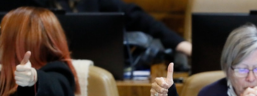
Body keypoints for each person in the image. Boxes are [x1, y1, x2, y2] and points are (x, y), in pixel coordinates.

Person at [0, 6, 80, 96]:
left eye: (2, 33)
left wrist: (33, 79)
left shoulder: (59, 72)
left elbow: (53, 90)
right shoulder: (7, 78)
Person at [31, 0, 192, 57]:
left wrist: (179, 44)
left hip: (95, 66)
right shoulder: (32, 2)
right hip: (45, 70)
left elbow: (136, 16)